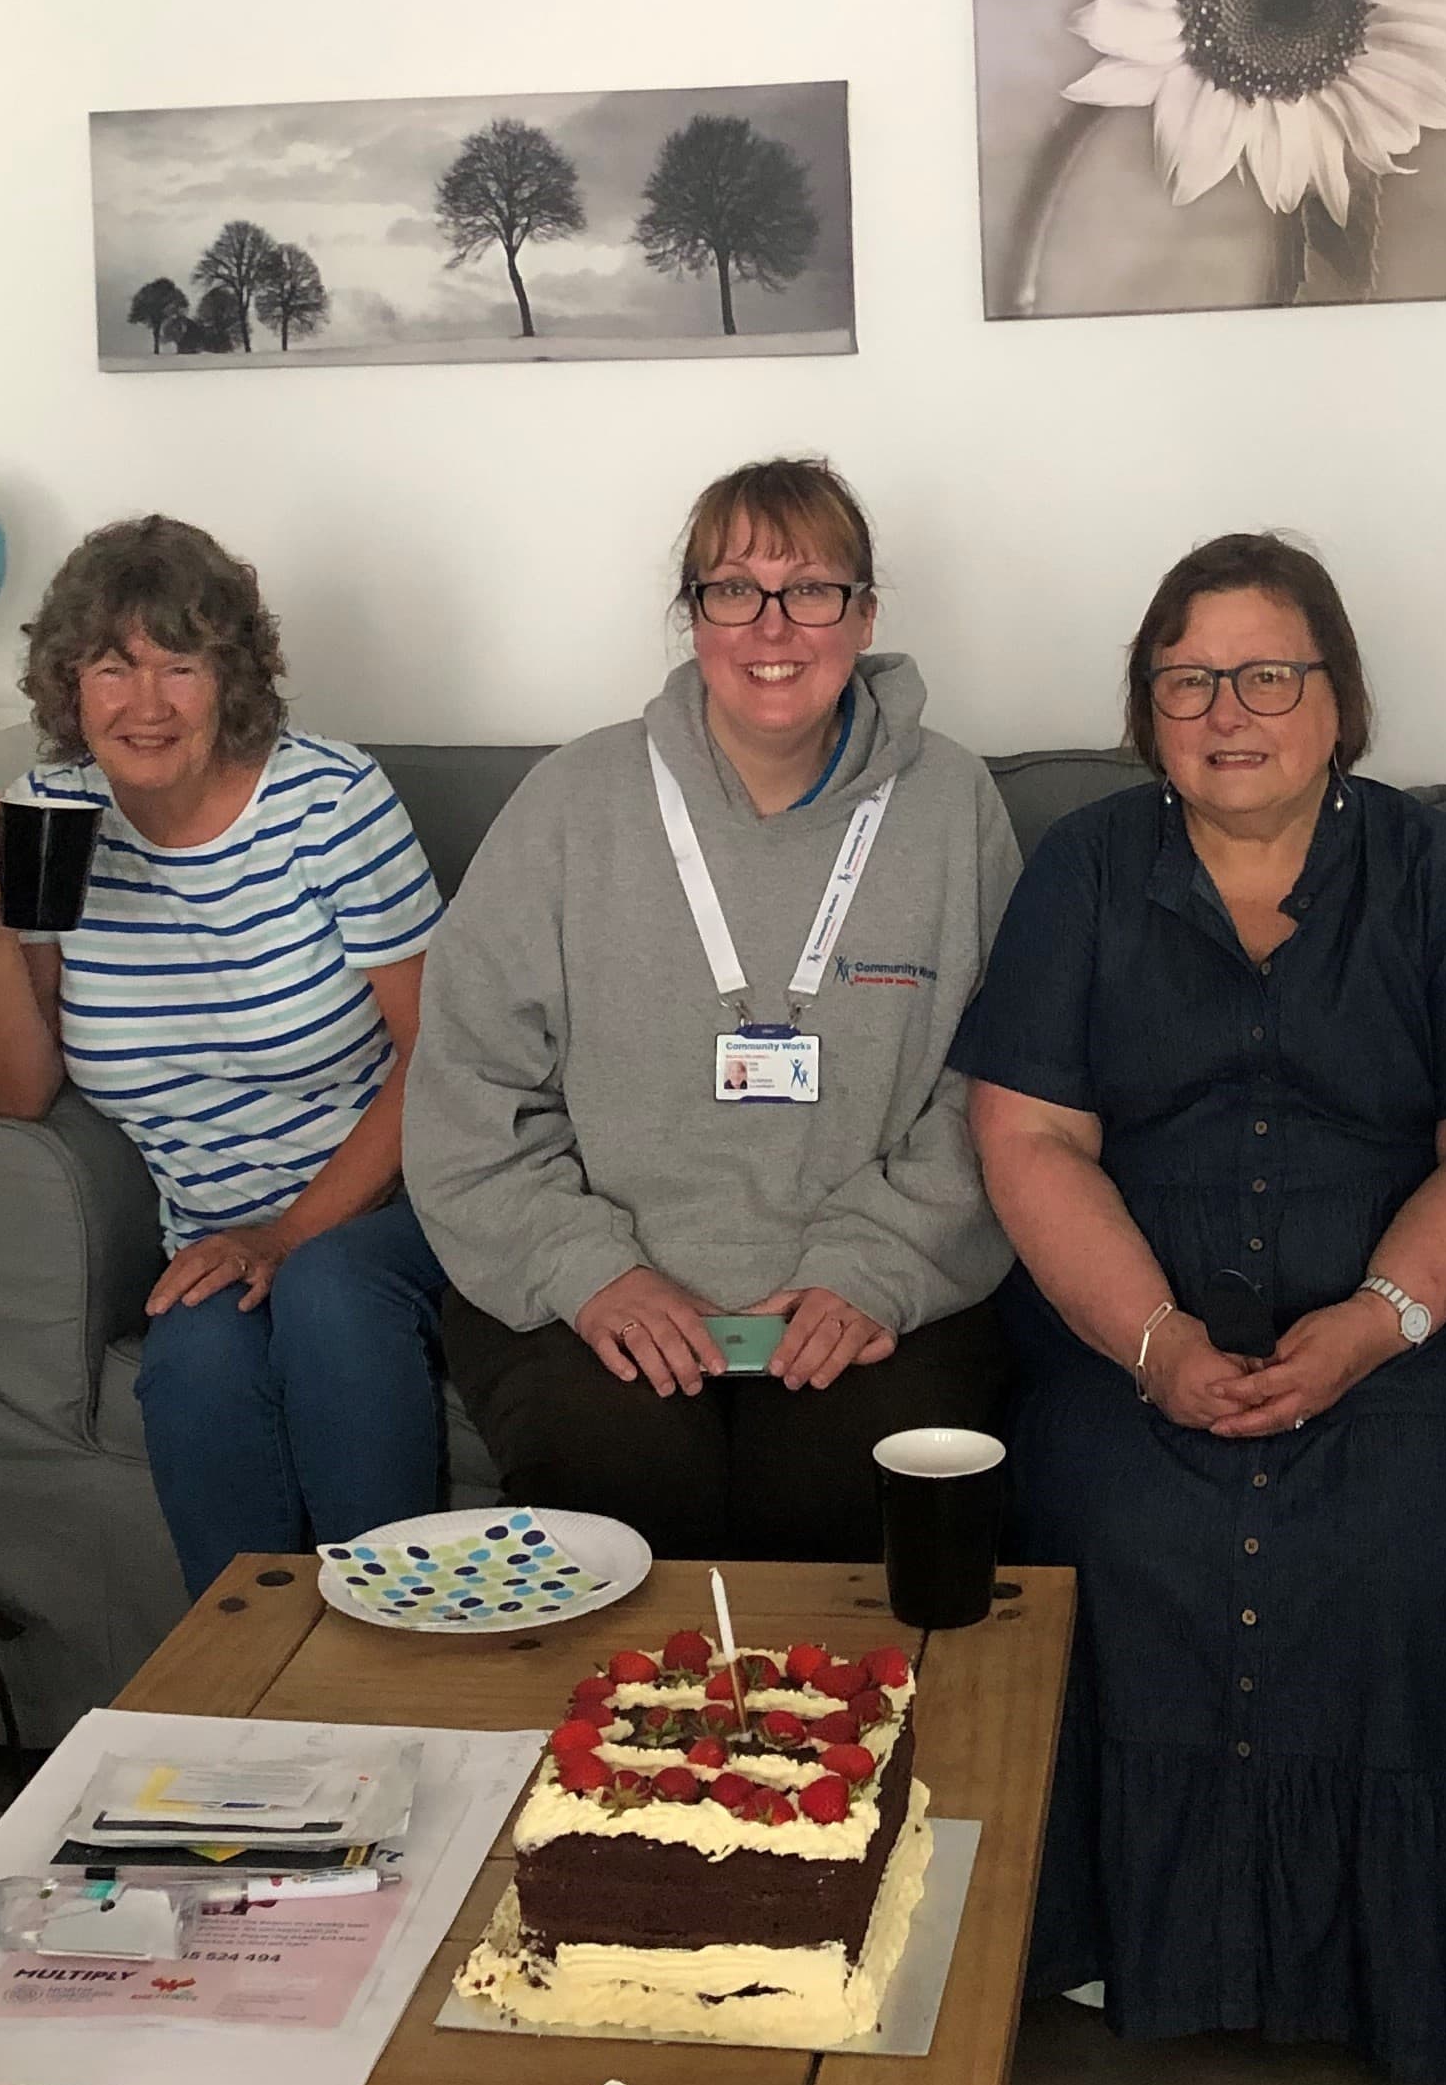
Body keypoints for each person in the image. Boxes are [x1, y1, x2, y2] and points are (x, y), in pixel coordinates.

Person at [956, 531, 1446, 2085]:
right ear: (1147, 711)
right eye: (1188, 679)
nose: (1231, 709)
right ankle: (1119, 1933)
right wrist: (1150, 1343)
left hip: (1422, 1309)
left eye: (1269, 674)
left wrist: (1376, 1320)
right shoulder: (1083, 870)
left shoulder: (1441, 877)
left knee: (1402, 1524)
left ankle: (1398, 1950)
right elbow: (1028, 1136)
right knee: (1110, 1515)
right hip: (1131, 1304)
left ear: (1341, 700)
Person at [404, 456, 1018, 1558]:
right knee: (622, 1489)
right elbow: (471, 1093)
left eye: (812, 588)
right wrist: (592, 1274)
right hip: (596, 1283)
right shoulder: (570, 803)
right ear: (691, 618)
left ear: (865, 613)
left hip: (869, 1282)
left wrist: (871, 1272)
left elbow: (999, 1091)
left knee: (839, 1493)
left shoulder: (952, 807)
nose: (771, 626)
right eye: (732, 590)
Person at [0, 514, 445, 1597]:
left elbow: (440, 1057)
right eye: (112, 668)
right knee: (197, 1354)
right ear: (68, 684)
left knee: (329, 1299)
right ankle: (249, 1700)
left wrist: (289, 1233)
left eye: (182, 665)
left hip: (392, 1203)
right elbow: (20, 1093)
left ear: (236, 678)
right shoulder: (53, 813)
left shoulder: (328, 801)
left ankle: (412, 1667)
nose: (147, 704)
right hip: (208, 1228)